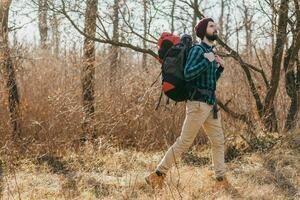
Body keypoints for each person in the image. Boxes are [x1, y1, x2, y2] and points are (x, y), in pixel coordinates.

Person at [145, 18, 230, 190]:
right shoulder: (198, 50)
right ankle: (158, 174)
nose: (216, 29)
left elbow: (210, 81)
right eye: (211, 26)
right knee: (185, 142)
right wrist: (207, 60)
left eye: (215, 26)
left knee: (218, 141)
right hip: (198, 104)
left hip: (210, 105)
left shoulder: (210, 52)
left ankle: (220, 180)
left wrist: (219, 68)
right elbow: (189, 73)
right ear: (202, 31)